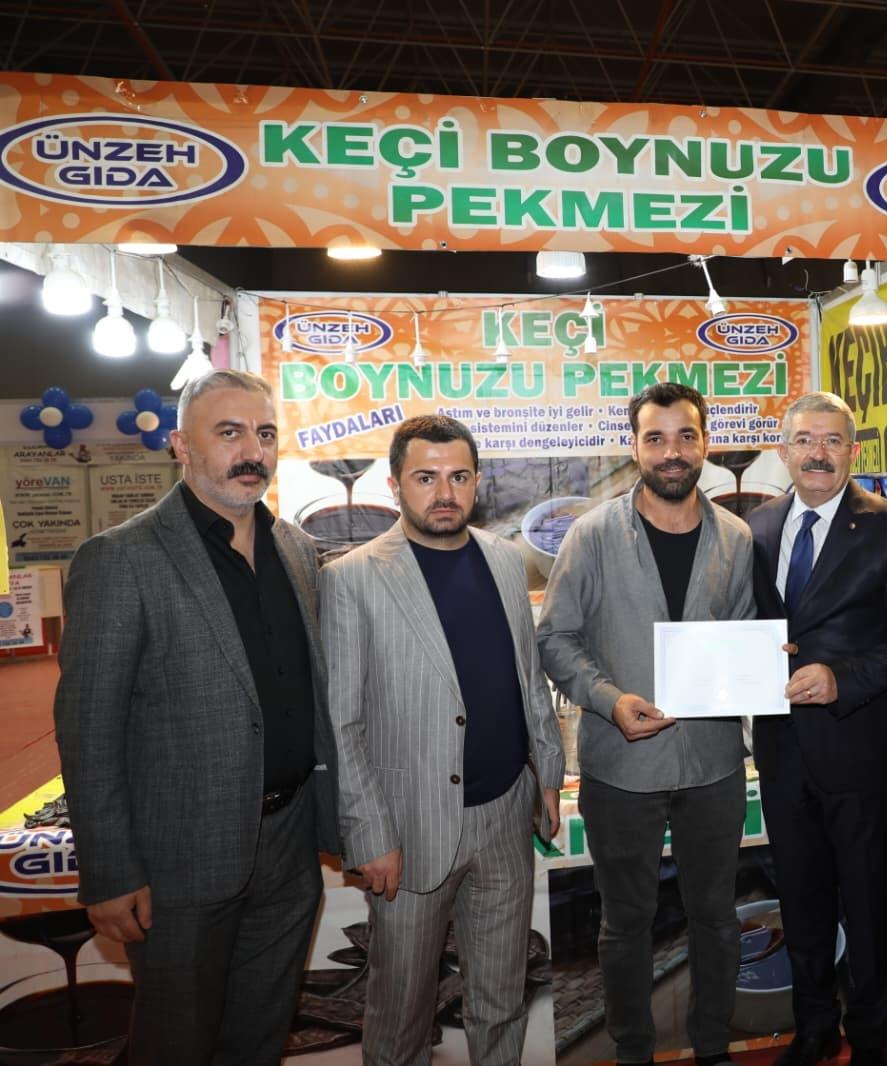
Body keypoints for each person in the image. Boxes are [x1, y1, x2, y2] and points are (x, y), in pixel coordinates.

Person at [53, 368, 341, 1066]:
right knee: (175, 1044)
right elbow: (89, 730)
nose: (253, 451)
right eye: (230, 433)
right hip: (178, 860)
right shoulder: (120, 559)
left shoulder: (296, 550)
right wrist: (110, 871)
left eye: (265, 434)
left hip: (289, 846)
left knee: (259, 1039)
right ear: (182, 445)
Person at [321, 414, 565, 1065]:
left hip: (506, 815)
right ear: (396, 485)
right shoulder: (352, 578)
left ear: (477, 482)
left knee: (501, 999)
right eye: (425, 478)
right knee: (400, 1011)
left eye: (458, 477)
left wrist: (547, 771)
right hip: (409, 829)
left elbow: (528, 677)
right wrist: (370, 833)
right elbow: (342, 722)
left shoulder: (506, 561)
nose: (444, 493)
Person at [536, 383, 754, 1066]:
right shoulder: (593, 534)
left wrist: (763, 662)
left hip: (713, 763)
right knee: (625, 922)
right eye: (655, 438)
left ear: (705, 443)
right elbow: (556, 638)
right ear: (634, 448)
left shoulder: (736, 536)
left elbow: (741, 635)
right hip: (620, 764)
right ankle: (634, 1052)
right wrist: (608, 699)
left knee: (716, 917)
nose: (672, 452)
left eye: (686, 436)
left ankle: (712, 1047)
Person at [745, 391, 887, 1066]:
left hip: (861, 751)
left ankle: (872, 1037)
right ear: (784, 451)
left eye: (831, 441)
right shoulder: (755, 528)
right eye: (804, 440)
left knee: (866, 906)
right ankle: (814, 1029)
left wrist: (843, 678)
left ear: (853, 451)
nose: (817, 453)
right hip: (782, 753)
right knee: (800, 905)